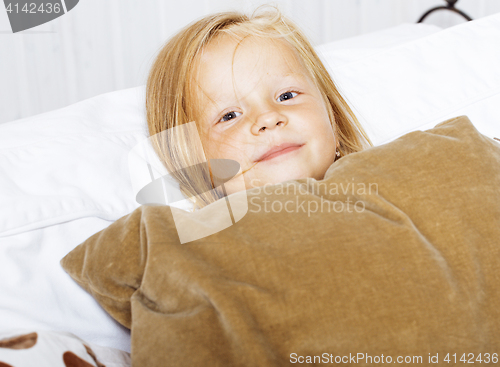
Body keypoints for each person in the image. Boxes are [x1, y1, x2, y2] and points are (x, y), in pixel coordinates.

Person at [145, 5, 372, 211]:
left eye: (286, 96)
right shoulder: (199, 248)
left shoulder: (388, 186)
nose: (268, 118)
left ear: (333, 118)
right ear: (195, 165)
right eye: (229, 116)